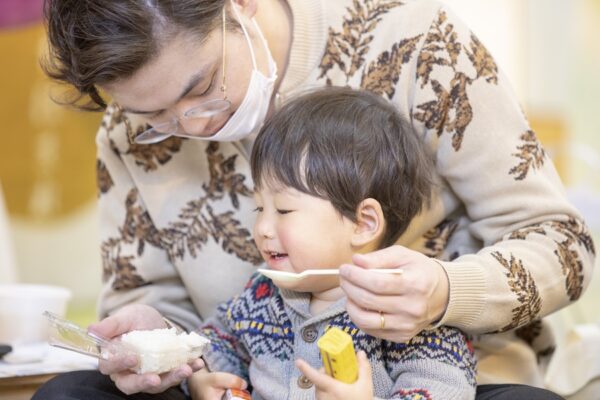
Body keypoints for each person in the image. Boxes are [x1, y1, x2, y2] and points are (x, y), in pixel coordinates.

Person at [34, 0, 593, 399]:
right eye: (153, 119)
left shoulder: (415, 43)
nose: (193, 126)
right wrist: (165, 349)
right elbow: (167, 311)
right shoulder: (125, 134)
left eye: (202, 88)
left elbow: (564, 247)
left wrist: (445, 293)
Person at [194, 86, 477, 400]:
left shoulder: (406, 310)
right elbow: (216, 341)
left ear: (363, 224)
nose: (262, 228)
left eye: (284, 210)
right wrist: (203, 375)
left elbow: (444, 387)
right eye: (260, 208)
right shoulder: (262, 295)